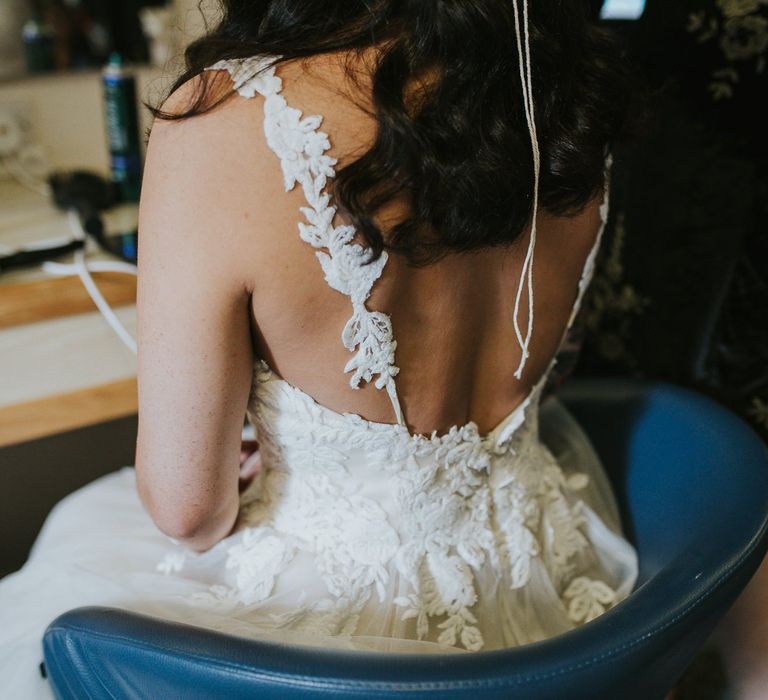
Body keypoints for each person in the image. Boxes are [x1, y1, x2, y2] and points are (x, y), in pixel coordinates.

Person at [0, 1, 644, 697]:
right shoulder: (560, 91)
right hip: (546, 608)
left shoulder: (230, 120)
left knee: (66, 555)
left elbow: (189, 513)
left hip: (326, 655)